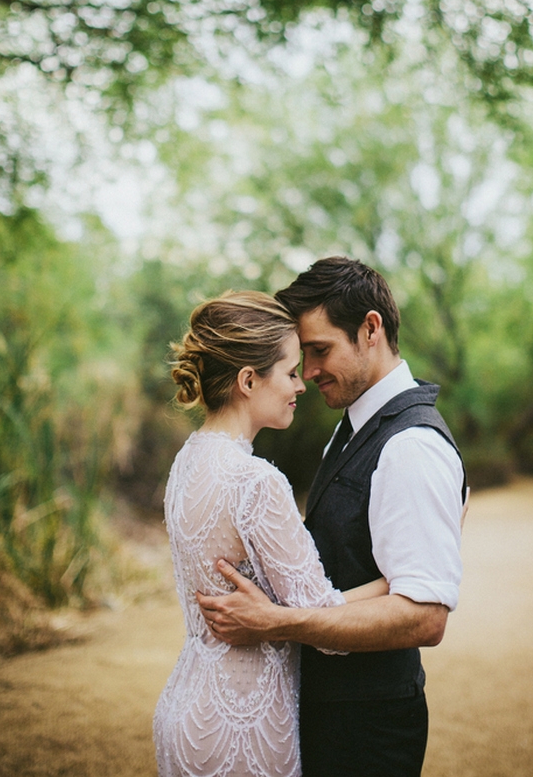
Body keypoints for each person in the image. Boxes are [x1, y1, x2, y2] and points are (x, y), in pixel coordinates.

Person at [197, 258, 467, 777]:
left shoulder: (411, 446)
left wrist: (279, 624)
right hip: (329, 717)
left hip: (367, 729)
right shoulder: (354, 425)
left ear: (371, 329)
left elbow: (425, 616)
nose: (310, 371)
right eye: (303, 356)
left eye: (320, 350)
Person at [153, 290, 388, 777]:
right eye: (290, 372)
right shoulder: (255, 481)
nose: (300, 386)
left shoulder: (188, 461)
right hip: (244, 721)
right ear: (247, 380)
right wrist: (399, 576)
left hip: (185, 707)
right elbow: (324, 625)